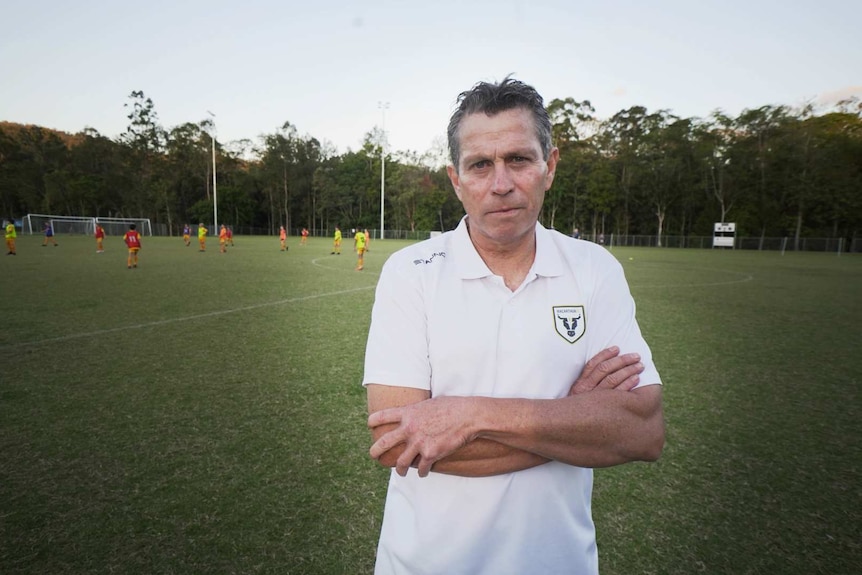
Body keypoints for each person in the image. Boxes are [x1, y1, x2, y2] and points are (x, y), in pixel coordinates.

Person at [363, 77, 664, 575]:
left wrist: (471, 415)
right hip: (424, 564)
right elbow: (398, 441)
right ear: (456, 179)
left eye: (519, 160)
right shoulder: (410, 272)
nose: (500, 183)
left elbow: (642, 431)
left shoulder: (593, 269)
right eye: (480, 165)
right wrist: (574, 417)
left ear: (550, 166)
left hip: (558, 563)